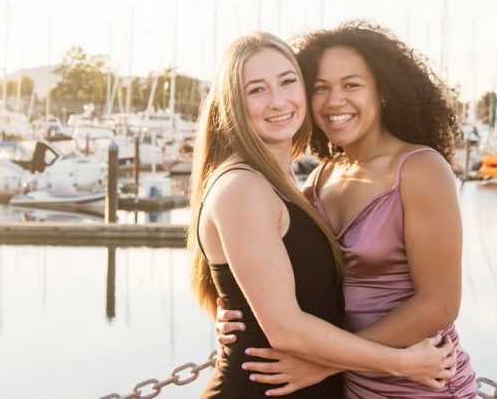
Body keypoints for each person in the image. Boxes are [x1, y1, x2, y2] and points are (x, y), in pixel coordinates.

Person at [189, 32, 457, 398]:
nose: (278, 101)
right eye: (256, 90)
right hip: (321, 380)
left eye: (288, 82)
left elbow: (440, 302)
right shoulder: (276, 184)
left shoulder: (303, 181)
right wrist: (399, 361)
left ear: (384, 89)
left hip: (407, 384)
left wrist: (326, 364)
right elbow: (280, 320)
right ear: (233, 102)